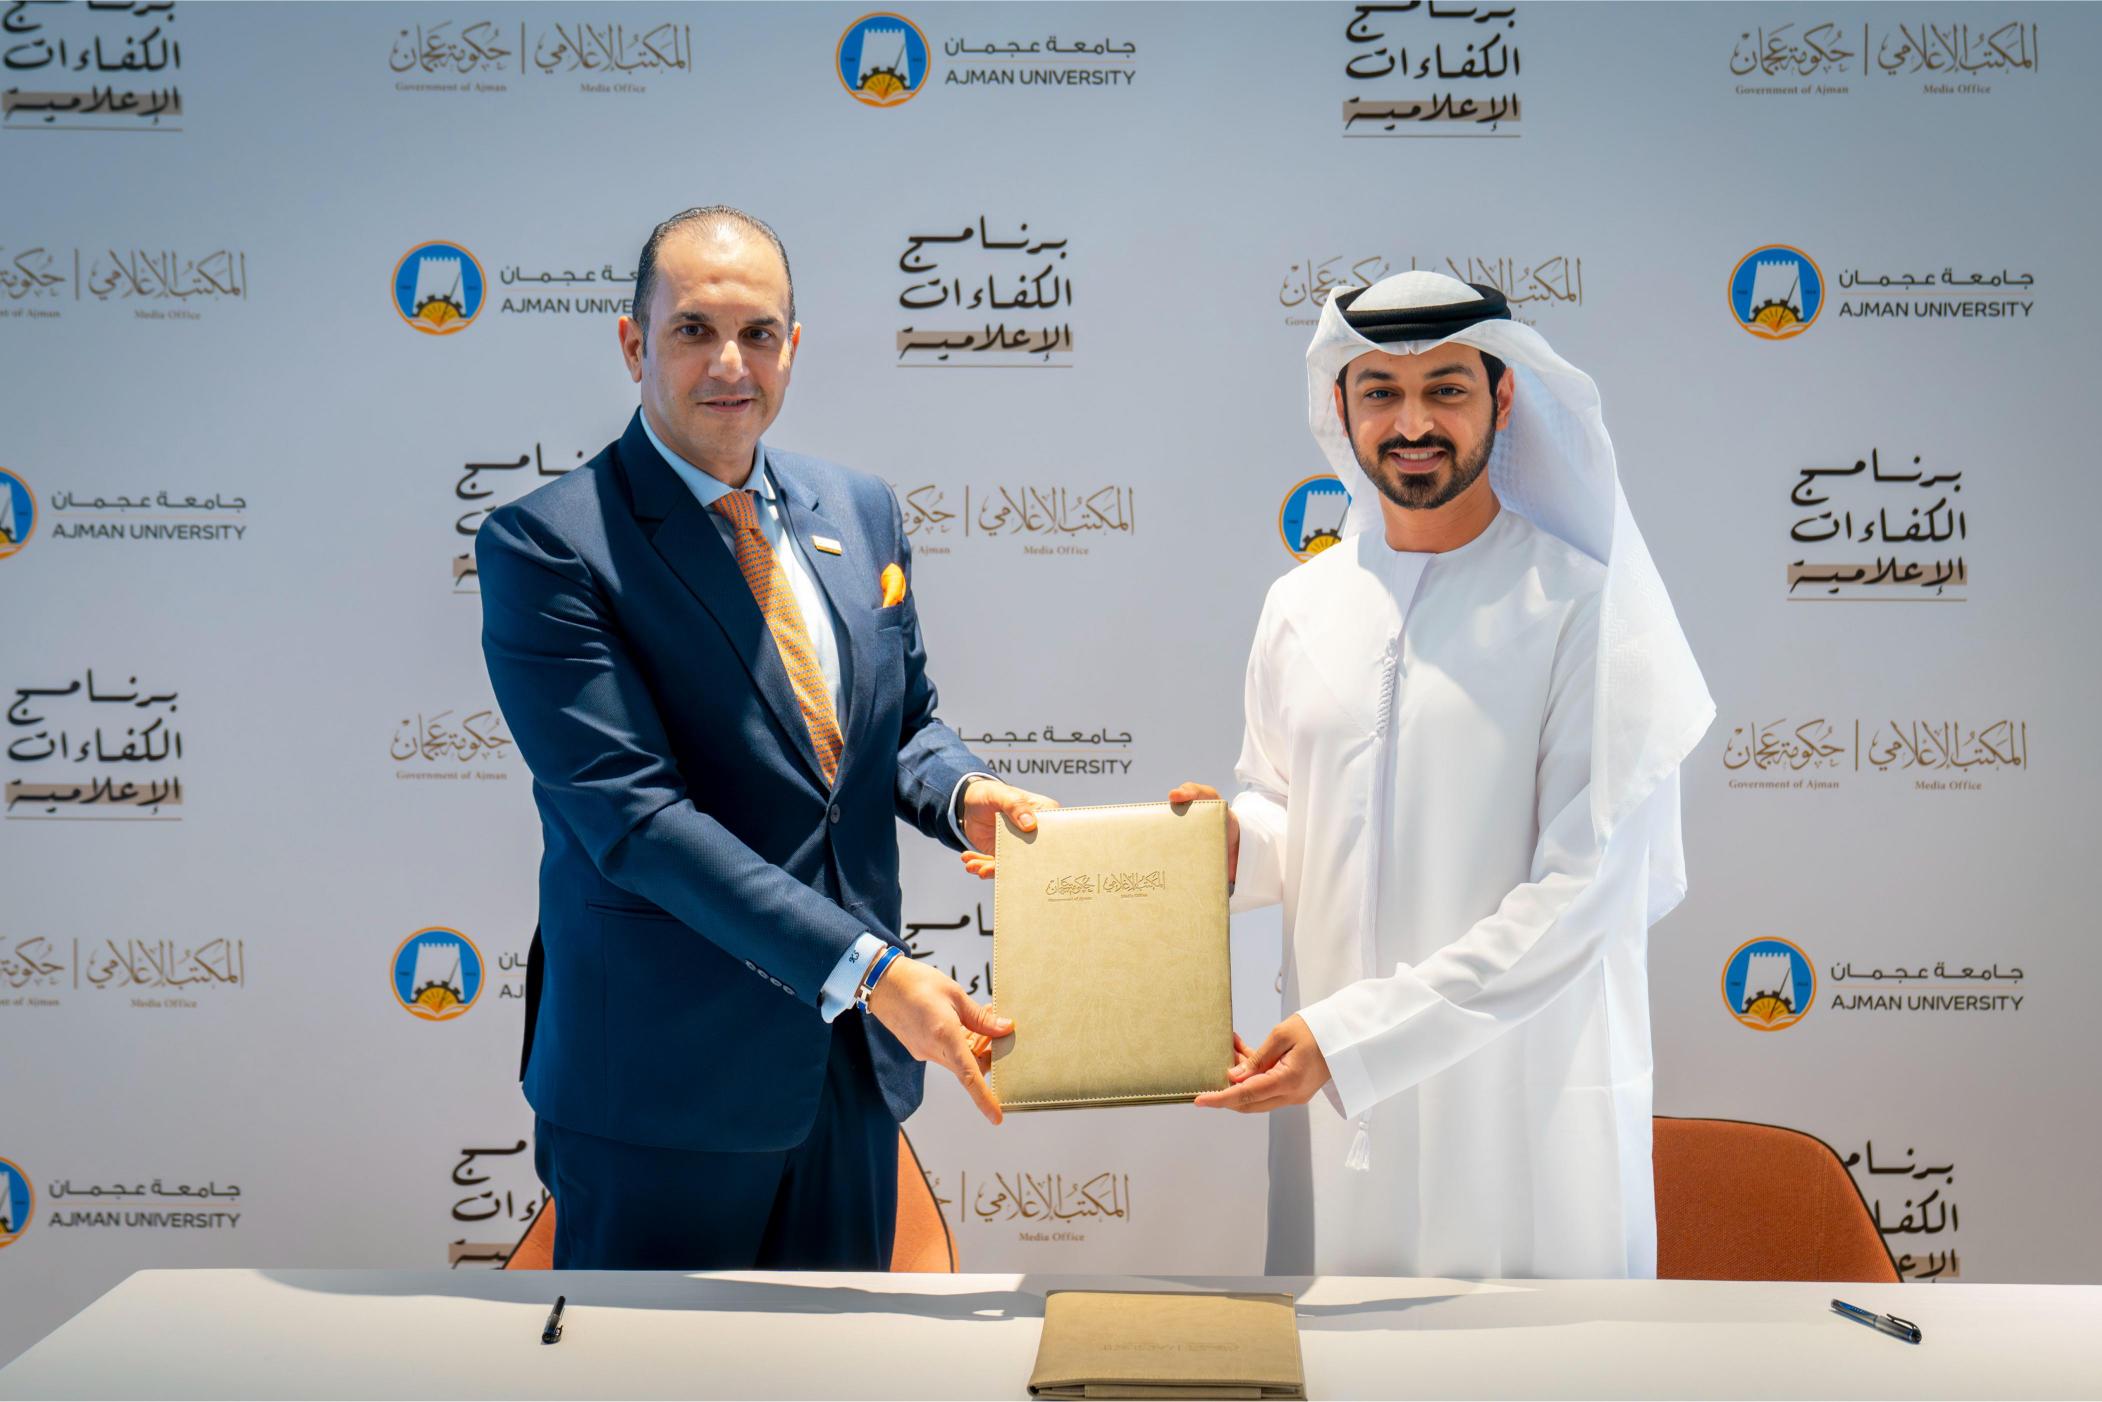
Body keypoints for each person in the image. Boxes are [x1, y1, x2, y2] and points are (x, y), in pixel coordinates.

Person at [477, 205, 1053, 1270]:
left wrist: (966, 795)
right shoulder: (548, 544)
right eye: (693, 330)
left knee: (844, 1357)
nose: (729, 364)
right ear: (632, 344)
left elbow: (900, 724)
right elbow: (636, 822)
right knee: (649, 1362)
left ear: (793, 346)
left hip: (850, 1073)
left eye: (758, 333)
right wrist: (873, 971)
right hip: (662, 1086)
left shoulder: (860, 509)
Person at [1172, 270, 1712, 1278]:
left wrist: (1355, 1039)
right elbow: (1293, 811)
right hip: (1335, 1109)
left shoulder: (1583, 610)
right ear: (1339, 406)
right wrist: (1233, 844)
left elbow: (1577, 898)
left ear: (1501, 397)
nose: (1412, 423)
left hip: (1520, 1116)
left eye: (1446, 390)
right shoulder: (1299, 606)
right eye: (1380, 391)